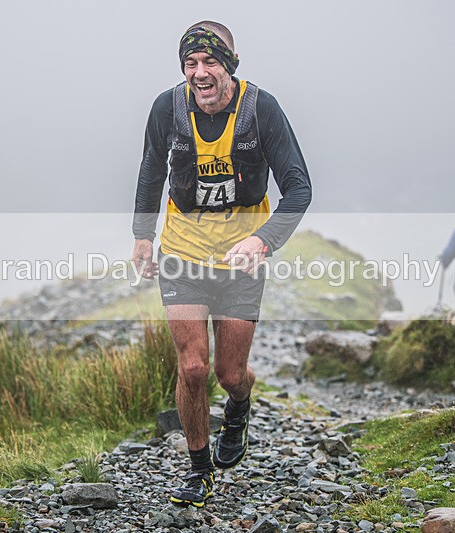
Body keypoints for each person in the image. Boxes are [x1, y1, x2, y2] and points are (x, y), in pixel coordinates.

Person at [131, 21, 311, 507]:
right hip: (182, 254)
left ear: (229, 65)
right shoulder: (167, 108)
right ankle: (199, 470)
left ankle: (239, 405)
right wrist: (143, 235)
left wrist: (262, 241)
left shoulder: (260, 109)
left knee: (230, 374)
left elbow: (299, 189)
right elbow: (151, 169)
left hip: (241, 261)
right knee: (192, 368)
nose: (200, 73)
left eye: (210, 62)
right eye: (190, 63)